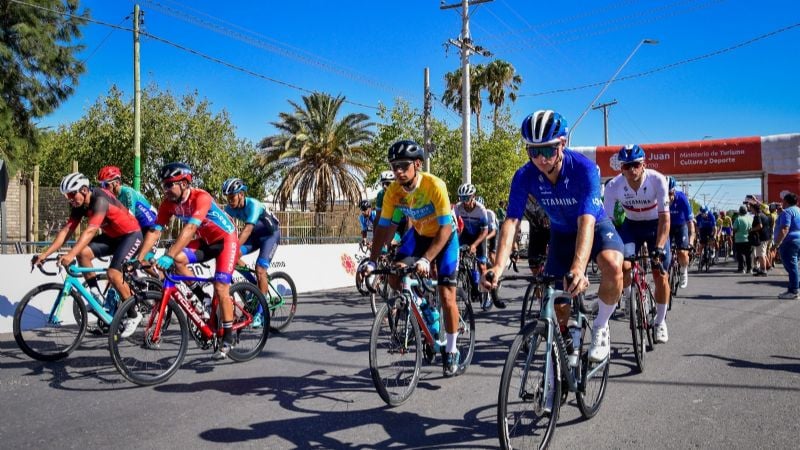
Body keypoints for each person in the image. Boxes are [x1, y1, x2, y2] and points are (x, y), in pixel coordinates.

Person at [483, 109, 624, 365]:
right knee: (558, 303)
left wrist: (579, 269)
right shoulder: (524, 175)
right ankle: (565, 344)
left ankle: (601, 326)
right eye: (533, 151)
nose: (540, 158)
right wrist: (498, 266)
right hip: (561, 233)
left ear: (563, 144)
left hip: (594, 224)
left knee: (614, 266)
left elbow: (586, 221)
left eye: (547, 150)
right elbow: (512, 220)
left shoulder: (584, 169)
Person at [358, 140, 463, 376]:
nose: (398, 171)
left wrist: (426, 260)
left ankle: (452, 350)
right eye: (394, 166)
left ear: (417, 164)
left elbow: (446, 228)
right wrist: (373, 260)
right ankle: (425, 308)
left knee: (447, 296)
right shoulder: (392, 192)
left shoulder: (435, 185)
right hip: (419, 234)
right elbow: (383, 228)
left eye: (403, 166)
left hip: (444, 236)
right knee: (395, 275)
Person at [138, 163, 240, 359]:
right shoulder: (167, 204)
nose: (165, 190)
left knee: (220, 287)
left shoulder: (201, 197)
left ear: (184, 184)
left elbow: (190, 229)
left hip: (226, 240)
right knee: (178, 260)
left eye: (169, 185)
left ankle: (229, 335)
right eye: (164, 185)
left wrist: (168, 254)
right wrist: (139, 258)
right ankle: (202, 296)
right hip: (206, 241)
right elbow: (154, 230)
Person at [32, 173, 143, 336]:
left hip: (131, 235)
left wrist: (69, 254)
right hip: (112, 237)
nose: (69, 199)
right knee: (83, 254)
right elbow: (66, 231)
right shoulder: (79, 205)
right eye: (66, 196)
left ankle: (134, 315)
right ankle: (97, 296)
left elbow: (90, 231)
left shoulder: (100, 199)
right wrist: (44, 254)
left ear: (84, 190)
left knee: (113, 274)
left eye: (71, 194)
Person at [603, 144, 671, 343]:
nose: (631, 170)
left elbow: (665, 220)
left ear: (643, 165)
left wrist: (659, 247)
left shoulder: (657, 180)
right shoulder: (613, 186)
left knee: (660, 273)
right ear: (621, 168)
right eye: (626, 166)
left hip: (654, 226)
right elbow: (607, 221)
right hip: (631, 226)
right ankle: (627, 295)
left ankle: (660, 321)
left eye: (635, 165)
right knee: (623, 265)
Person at [221, 177, 281, 326]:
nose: (229, 200)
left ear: (241, 194)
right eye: (227, 197)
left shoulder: (253, 204)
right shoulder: (229, 209)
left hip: (270, 236)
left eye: (232, 196)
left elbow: (247, 229)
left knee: (260, 269)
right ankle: (255, 286)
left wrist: (233, 248)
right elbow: (225, 229)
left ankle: (261, 313)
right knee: (232, 259)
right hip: (255, 237)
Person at [455, 183, 502, 310]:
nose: (463, 201)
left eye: (466, 198)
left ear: (473, 196)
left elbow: (485, 231)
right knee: (456, 256)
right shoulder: (458, 208)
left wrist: (475, 245)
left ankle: (491, 293)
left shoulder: (481, 209)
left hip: (479, 235)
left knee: (482, 265)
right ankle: (465, 279)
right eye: (461, 198)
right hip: (466, 234)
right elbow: (453, 225)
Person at [96, 166, 158, 232]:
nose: (103, 189)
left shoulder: (127, 192)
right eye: (101, 186)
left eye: (105, 185)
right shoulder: (114, 197)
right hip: (140, 226)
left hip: (151, 225)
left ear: (116, 182)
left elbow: (131, 218)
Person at [667, 176, 695, 288]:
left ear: (673, 191)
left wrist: (691, 242)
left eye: (669, 194)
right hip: (667, 226)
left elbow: (690, 223)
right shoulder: (658, 198)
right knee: (664, 253)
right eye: (665, 194)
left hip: (681, 225)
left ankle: (683, 271)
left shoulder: (682, 199)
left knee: (682, 253)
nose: (668, 197)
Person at [773, 192, 800, 299]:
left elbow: (785, 229)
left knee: (791, 265)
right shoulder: (798, 210)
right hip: (797, 240)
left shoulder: (787, 212)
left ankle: (794, 290)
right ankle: (792, 288)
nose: (782, 203)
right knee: (794, 265)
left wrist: (776, 243)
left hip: (789, 241)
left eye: (783, 201)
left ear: (786, 201)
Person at [733, 205, 753, 273]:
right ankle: (749, 269)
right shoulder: (750, 218)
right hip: (749, 239)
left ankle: (741, 269)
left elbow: (735, 229)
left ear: (740, 211)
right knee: (748, 254)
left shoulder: (738, 219)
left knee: (740, 254)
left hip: (739, 239)